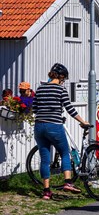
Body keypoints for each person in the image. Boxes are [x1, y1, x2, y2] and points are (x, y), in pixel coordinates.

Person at [32, 63, 89, 200]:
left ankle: (46, 191)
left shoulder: (39, 89)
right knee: (64, 152)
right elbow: (70, 109)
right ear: (61, 77)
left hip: (39, 126)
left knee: (45, 159)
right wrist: (82, 121)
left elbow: (34, 109)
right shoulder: (60, 90)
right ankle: (68, 182)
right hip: (54, 126)